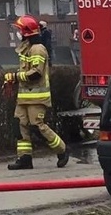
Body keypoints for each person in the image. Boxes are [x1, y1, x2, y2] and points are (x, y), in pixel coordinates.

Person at [6, 14, 67, 169]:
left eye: (19, 30)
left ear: (26, 32)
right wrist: (12, 79)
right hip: (24, 97)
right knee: (19, 125)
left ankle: (62, 150)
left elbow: (36, 73)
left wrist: (15, 76)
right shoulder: (26, 48)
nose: (17, 32)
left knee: (36, 126)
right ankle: (24, 159)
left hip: (37, 97)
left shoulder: (37, 49)